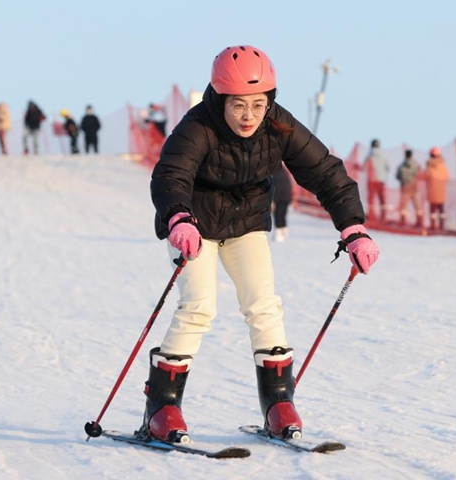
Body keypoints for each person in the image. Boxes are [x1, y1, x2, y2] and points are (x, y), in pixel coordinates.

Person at [146, 45, 379, 443]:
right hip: (194, 225)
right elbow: (171, 174)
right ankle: (162, 408)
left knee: (264, 305)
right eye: (238, 105)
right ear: (220, 99)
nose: (249, 116)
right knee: (199, 306)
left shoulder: (278, 124)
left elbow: (325, 172)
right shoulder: (197, 126)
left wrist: (353, 228)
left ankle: (278, 404)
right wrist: (178, 217)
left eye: (258, 104)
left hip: (247, 223)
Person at [362, 138, 389, 221]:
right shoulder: (383, 156)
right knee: (382, 199)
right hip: (381, 180)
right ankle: (383, 216)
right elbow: (387, 167)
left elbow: (363, 167)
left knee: (371, 199)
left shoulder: (369, 156)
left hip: (372, 180)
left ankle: (371, 216)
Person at [423, 146, 449, 231]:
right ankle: (442, 225)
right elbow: (446, 176)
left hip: (432, 190)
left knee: (433, 208)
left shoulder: (430, 166)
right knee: (441, 208)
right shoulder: (443, 165)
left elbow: (427, 176)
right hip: (441, 190)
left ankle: (433, 225)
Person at [395, 149, 423, 227]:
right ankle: (419, 222)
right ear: (411, 155)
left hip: (405, 187)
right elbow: (418, 174)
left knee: (404, 206)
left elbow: (397, 176)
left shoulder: (401, 166)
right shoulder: (416, 165)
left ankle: (403, 222)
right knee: (417, 205)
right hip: (414, 187)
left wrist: (404, 180)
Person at [271, 165, 293, 242]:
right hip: (286, 198)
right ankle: (283, 233)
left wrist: (273, 200)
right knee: (282, 215)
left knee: (278, 215)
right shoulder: (284, 174)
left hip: (279, 198)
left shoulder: (276, 175)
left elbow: (277, 188)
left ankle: (279, 235)